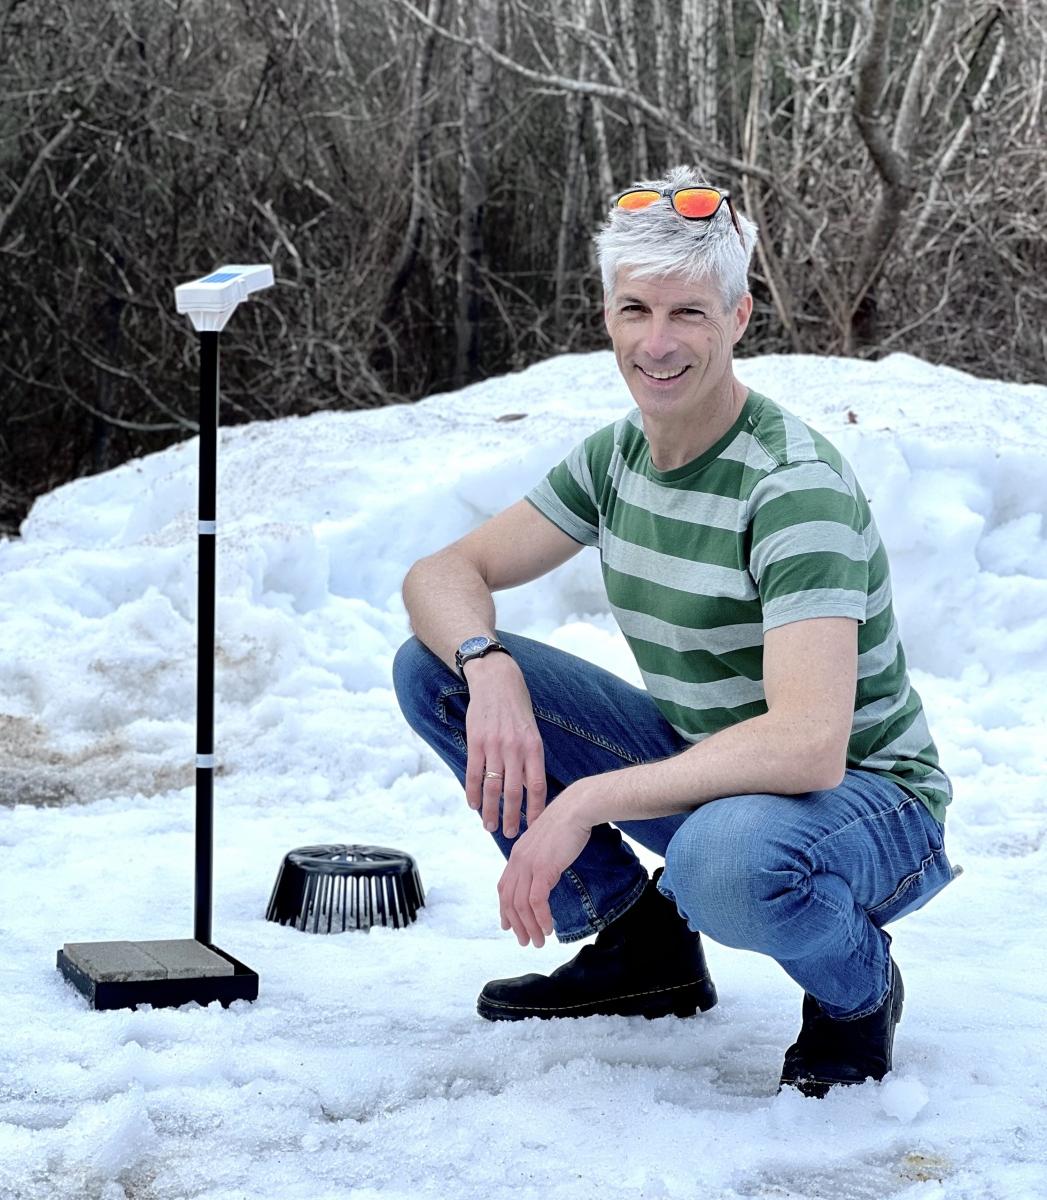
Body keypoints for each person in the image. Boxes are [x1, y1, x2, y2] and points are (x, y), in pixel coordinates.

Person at [392, 166, 957, 1098]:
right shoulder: (619, 456)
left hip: (871, 803)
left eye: (688, 314)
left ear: (737, 318)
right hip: (720, 768)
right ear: (607, 317)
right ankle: (640, 944)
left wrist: (580, 804)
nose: (656, 343)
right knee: (437, 670)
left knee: (720, 861)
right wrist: (486, 664)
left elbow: (811, 747)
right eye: (634, 311)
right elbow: (442, 575)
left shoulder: (791, 485)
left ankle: (855, 992)